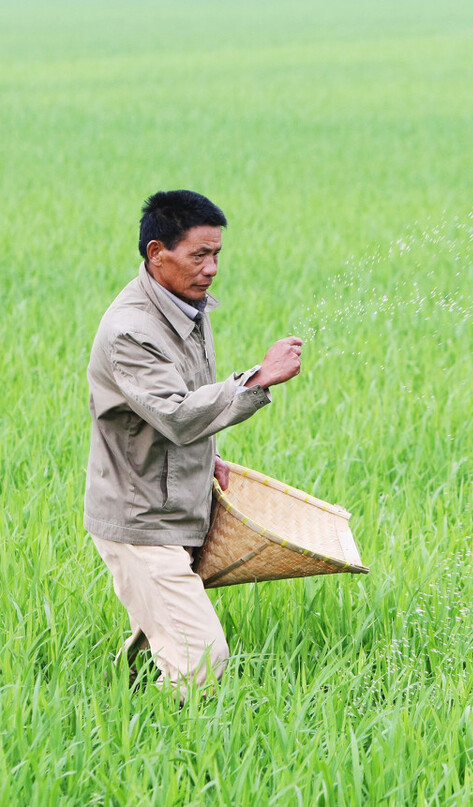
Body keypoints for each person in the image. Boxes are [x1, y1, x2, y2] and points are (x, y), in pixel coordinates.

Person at [85, 189, 303, 701]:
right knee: (200, 654)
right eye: (199, 255)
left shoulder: (186, 306)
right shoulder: (131, 331)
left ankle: (117, 719)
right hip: (141, 519)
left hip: (176, 504)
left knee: (159, 637)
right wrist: (256, 380)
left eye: (217, 254)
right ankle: (163, 754)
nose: (211, 268)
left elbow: (172, 407)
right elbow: (178, 415)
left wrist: (212, 459)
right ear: (156, 253)